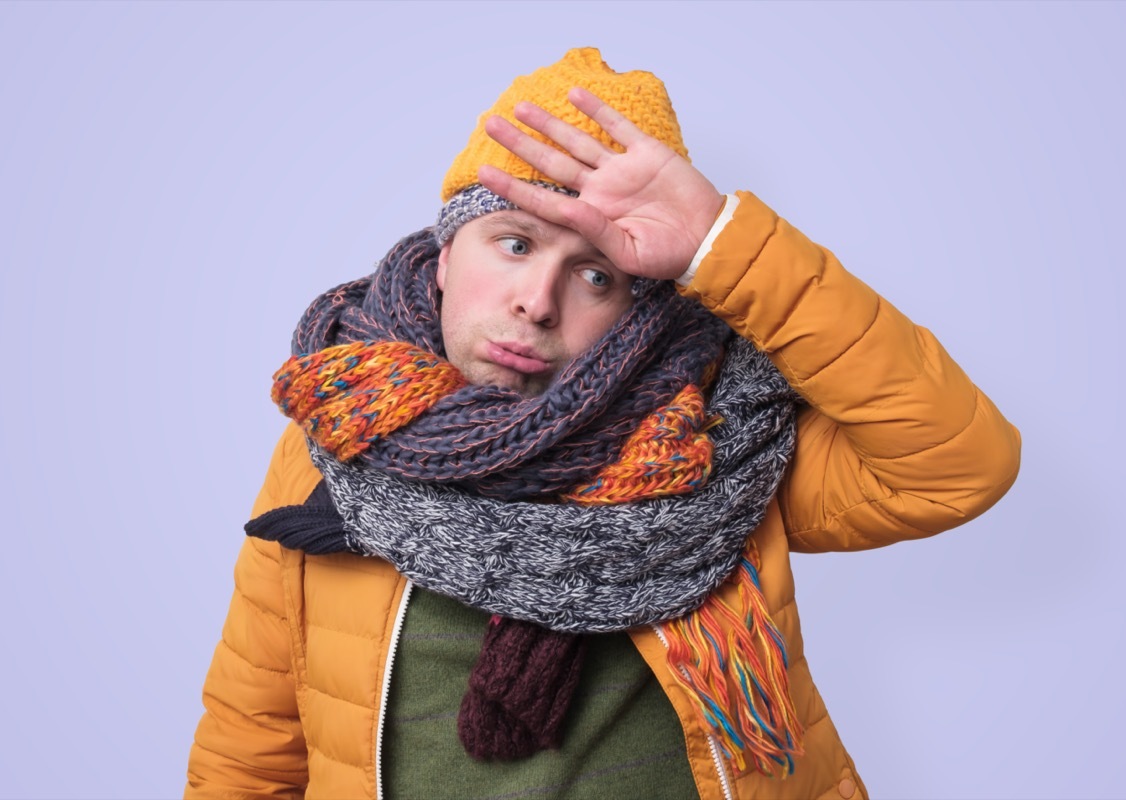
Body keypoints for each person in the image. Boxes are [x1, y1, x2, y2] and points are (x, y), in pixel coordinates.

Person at [185, 48, 1020, 800]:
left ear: (638, 308)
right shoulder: (336, 445)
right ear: (443, 259)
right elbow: (250, 748)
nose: (536, 303)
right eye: (513, 244)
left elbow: (957, 464)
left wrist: (722, 248)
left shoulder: (720, 445)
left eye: (594, 276)